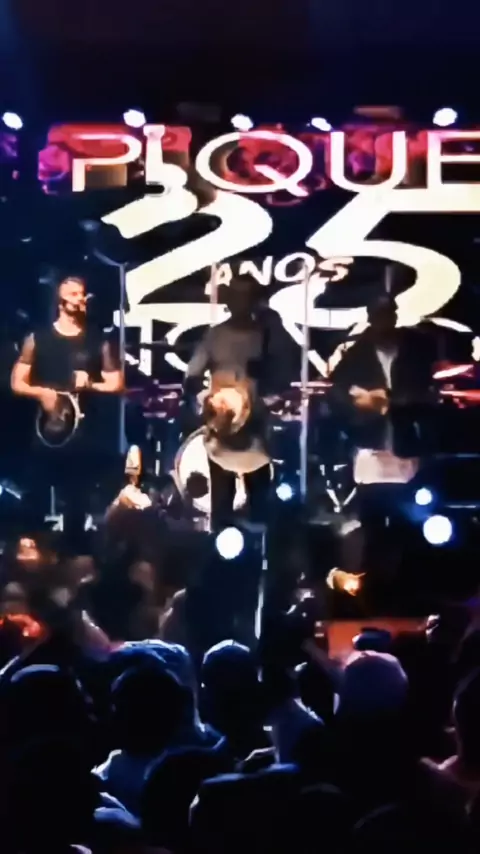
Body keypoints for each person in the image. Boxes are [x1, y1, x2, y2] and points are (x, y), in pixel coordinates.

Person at [329, 294, 436, 587]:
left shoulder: (414, 349)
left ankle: (406, 582)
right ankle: (373, 582)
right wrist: (358, 404)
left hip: (405, 445)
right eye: (379, 315)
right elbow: (336, 391)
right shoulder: (357, 353)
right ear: (371, 317)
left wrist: (393, 400)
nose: (385, 321)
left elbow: (426, 390)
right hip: (370, 448)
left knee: (408, 524)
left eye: (389, 314)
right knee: (372, 522)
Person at [10, 275, 124, 540]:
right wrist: (41, 393)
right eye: (74, 294)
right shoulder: (38, 338)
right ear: (60, 301)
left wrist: (91, 385)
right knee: (36, 500)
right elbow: (17, 382)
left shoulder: (97, 340)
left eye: (82, 294)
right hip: (47, 435)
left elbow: (116, 383)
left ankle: (74, 550)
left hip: (83, 438)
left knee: (77, 503)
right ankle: (34, 550)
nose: (81, 299)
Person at [184, 274, 291, 531]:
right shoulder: (216, 335)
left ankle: (260, 544)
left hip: (255, 425)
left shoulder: (266, 335)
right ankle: (220, 541)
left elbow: (284, 374)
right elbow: (192, 375)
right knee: (221, 498)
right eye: (237, 298)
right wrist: (208, 402)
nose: (241, 303)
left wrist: (268, 376)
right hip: (222, 425)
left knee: (259, 500)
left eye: (246, 298)